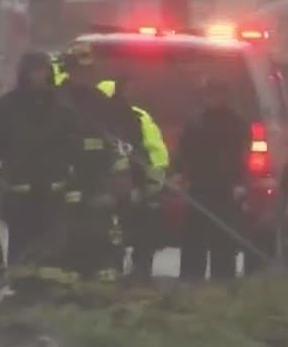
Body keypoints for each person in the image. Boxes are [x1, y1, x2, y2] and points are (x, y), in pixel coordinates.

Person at [0, 51, 77, 274]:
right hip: (20, 184)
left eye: (44, 70)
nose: (40, 75)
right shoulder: (8, 105)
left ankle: (48, 283)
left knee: (51, 239)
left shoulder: (60, 105)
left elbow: (72, 139)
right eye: (35, 70)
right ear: (24, 72)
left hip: (53, 182)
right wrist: (0, 167)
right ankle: (20, 283)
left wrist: (68, 169)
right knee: (21, 236)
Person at [52, 42, 132, 283]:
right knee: (67, 240)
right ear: (69, 70)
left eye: (89, 70)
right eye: (79, 70)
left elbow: (117, 143)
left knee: (102, 236)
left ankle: (98, 288)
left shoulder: (101, 102)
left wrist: (118, 182)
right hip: (66, 182)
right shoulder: (57, 101)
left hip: (99, 181)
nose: (85, 75)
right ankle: (66, 289)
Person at [174, 78, 249, 281]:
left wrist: (239, 183)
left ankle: (222, 282)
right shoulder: (196, 121)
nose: (211, 98)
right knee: (193, 239)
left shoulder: (235, 123)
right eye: (208, 94)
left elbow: (240, 156)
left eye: (216, 94)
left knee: (223, 240)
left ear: (224, 97)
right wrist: (181, 173)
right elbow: (184, 150)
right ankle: (190, 280)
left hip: (225, 189)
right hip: (198, 187)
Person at [97, 78, 168, 279]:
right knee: (112, 235)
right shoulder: (93, 121)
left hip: (132, 186)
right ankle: (116, 272)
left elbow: (149, 153)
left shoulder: (135, 118)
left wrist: (150, 182)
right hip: (112, 188)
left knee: (140, 231)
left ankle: (137, 273)